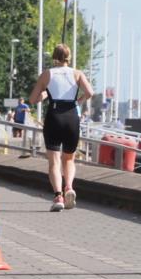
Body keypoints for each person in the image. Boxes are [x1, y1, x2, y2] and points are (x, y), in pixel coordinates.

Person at [29, 44, 94, 212]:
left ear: (54, 57)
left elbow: (32, 99)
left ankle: (58, 196)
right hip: (72, 116)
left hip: (54, 116)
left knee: (54, 161)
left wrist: (44, 95)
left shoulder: (47, 74)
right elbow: (90, 92)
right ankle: (69, 187)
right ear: (69, 57)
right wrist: (78, 101)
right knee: (69, 159)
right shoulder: (77, 73)